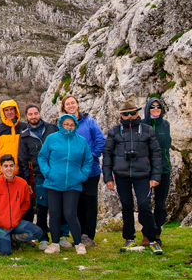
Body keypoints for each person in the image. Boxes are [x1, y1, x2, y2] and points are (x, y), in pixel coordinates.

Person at [103, 100, 163, 255]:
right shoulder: (114, 131)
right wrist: (108, 178)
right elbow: (107, 155)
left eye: (132, 113)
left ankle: (153, 238)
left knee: (144, 206)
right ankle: (129, 238)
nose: (129, 116)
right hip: (121, 175)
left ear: (137, 112)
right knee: (126, 206)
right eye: (125, 113)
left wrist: (155, 176)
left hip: (143, 175)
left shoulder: (147, 130)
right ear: (120, 115)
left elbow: (156, 154)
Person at [38, 115, 92, 255]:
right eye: (66, 124)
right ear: (61, 124)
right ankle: (55, 243)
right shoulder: (52, 138)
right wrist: (48, 173)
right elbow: (42, 157)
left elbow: (88, 160)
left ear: (76, 126)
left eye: (71, 124)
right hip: (53, 182)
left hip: (73, 183)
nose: (69, 127)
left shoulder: (81, 141)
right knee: (54, 213)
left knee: (70, 213)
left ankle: (78, 244)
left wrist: (82, 176)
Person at [61, 95, 106, 248]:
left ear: (78, 104)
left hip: (91, 170)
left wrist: (90, 156)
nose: (71, 105)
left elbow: (101, 141)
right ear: (64, 108)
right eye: (67, 104)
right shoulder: (64, 125)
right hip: (73, 172)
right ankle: (79, 235)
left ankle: (89, 235)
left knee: (90, 202)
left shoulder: (89, 122)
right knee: (77, 202)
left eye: (73, 103)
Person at [17, 104, 59, 250]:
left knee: (57, 206)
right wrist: (26, 182)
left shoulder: (52, 128)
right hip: (39, 175)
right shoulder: (24, 135)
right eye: (30, 114)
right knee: (42, 207)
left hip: (56, 174)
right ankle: (43, 238)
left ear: (39, 113)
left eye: (36, 113)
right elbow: (22, 160)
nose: (33, 116)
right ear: (26, 116)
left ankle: (60, 236)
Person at [0, 155, 43, 255]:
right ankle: (0, 240)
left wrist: (18, 214)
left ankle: (13, 238)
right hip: (1, 225)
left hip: (17, 222)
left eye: (11, 165)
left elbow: (26, 202)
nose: (9, 169)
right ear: (1, 168)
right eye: (6, 166)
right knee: (5, 252)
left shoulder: (22, 183)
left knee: (38, 232)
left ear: (14, 167)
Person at [143, 97, 172, 246]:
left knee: (160, 204)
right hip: (146, 170)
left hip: (163, 169)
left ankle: (157, 232)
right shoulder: (142, 125)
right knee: (145, 203)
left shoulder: (165, 125)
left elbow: (167, 145)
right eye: (152, 106)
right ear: (147, 108)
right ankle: (146, 233)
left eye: (158, 106)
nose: (155, 109)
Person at [0, 99, 27, 178]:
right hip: (5, 172)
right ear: (3, 112)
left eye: (11, 109)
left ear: (16, 110)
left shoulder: (25, 127)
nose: (9, 112)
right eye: (6, 110)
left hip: (23, 170)